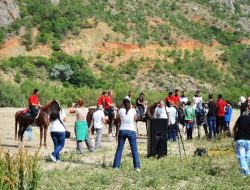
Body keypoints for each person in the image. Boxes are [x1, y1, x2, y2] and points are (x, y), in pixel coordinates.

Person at [113, 99, 140, 172]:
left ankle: (116, 166)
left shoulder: (120, 110)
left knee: (119, 149)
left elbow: (117, 119)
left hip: (122, 130)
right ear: (130, 103)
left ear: (123, 103)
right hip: (131, 130)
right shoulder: (133, 110)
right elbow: (135, 119)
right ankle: (137, 167)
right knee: (134, 149)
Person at [233, 112, 250, 177]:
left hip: (240, 140)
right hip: (249, 141)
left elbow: (234, 128)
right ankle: (245, 173)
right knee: (248, 157)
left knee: (241, 157)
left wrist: (235, 137)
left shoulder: (240, 118)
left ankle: (246, 173)